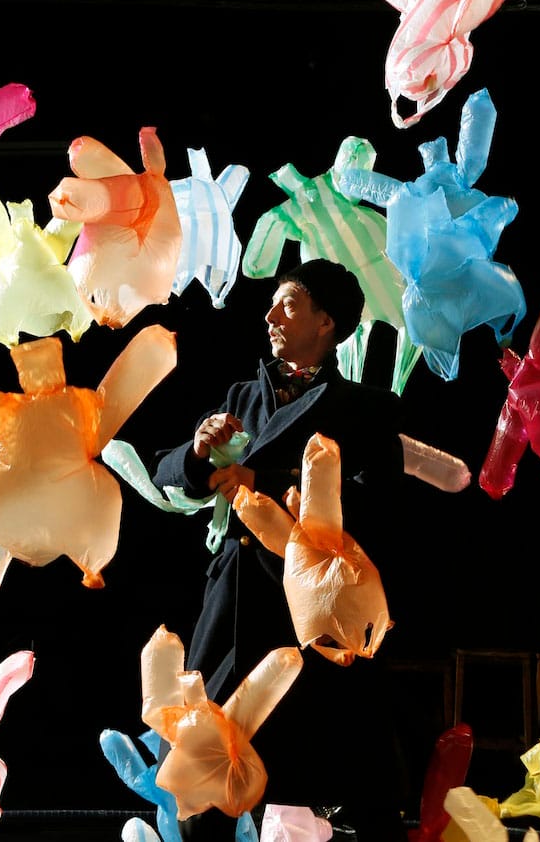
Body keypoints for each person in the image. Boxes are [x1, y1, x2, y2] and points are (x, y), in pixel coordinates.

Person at [150, 258, 411, 841]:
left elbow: (383, 511)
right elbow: (170, 471)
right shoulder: (241, 394)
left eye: (289, 303)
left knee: (351, 780)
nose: (270, 315)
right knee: (209, 771)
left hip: (314, 614)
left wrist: (270, 495)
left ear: (327, 322)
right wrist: (197, 453)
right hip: (236, 603)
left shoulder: (366, 409)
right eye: (272, 303)